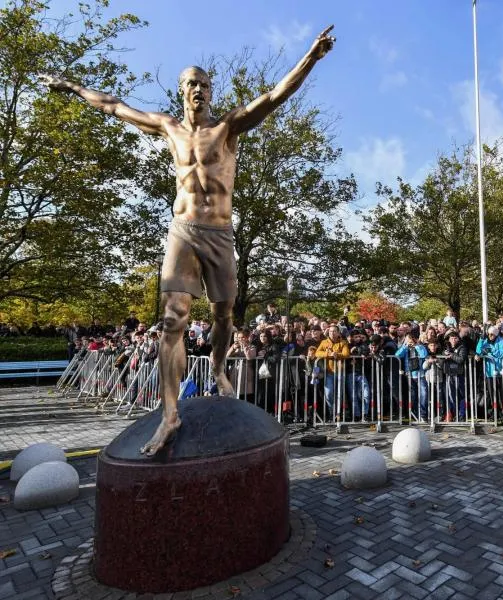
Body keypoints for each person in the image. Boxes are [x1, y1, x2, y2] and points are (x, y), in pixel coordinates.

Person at [39, 26, 336, 456]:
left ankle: (218, 366)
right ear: (182, 90)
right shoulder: (168, 129)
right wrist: (69, 85)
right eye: (191, 83)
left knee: (223, 315)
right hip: (182, 229)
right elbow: (113, 105)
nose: (198, 89)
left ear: (211, 92)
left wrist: (311, 57)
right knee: (173, 318)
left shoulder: (227, 129)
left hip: (219, 232)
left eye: (204, 84)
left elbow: (273, 97)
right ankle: (170, 414)